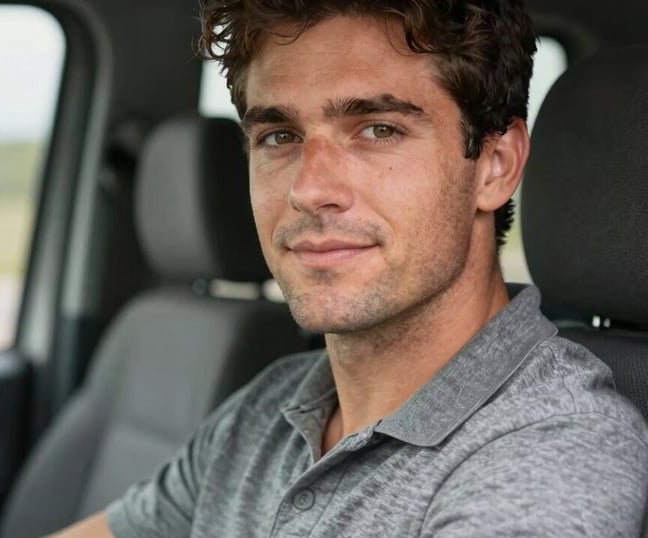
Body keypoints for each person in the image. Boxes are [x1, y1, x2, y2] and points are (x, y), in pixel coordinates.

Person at [52, 1, 648, 536]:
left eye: (378, 129)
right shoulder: (270, 407)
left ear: (494, 165)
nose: (309, 190)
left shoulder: (550, 457)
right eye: (280, 136)